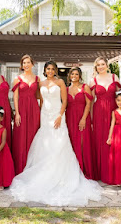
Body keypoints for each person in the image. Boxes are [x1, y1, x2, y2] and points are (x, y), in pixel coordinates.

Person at [10, 61, 102, 206]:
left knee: (59, 141)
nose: (50, 71)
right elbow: (39, 99)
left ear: (56, 70)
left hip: (57, 114)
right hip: (44, 115)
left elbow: (64, 101)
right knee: (44, 141)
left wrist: (60, 115)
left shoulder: (60, 83)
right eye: (48, 69)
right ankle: (43, 174)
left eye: (53, 69)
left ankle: (62, 176)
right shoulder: (40, 83)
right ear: (45, 70)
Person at [89, 56, 121, 183]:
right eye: (98, 65)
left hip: (113, 112)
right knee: (101, 141)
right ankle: (102, 173)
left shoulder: (114, 77)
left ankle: (115, 172)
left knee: (114, 140)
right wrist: (91, 120)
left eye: (103, 64)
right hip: (99, 113)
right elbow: (91, 102)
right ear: (96, 67)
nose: (101, 67)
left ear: (107, 65)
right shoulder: (93, 80)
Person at [12, 54, 41, 175]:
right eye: (24, 63)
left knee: (33, 136)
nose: (26, 65)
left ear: (32, 64)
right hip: (22, 109)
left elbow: (39, 96)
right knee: (20, 137)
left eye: (28, 62)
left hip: (34, 109)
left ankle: (33, 167)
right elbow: (15, 97)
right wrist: (17, 113)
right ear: (21, 65)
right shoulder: (17, 79)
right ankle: (20, 167)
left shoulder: (37, 79)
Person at [66, 67, 95, 179]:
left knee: (83, 143)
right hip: (70, 117)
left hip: (82, 117)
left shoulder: (85, 87)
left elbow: (88, 104)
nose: (74, 76)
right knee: (73, 142)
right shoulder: (67, 89)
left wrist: (83, 119)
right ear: (69, 75)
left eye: (76, 74)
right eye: (72, 74)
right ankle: (74, 170)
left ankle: (84, 170)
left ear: (80, 76)